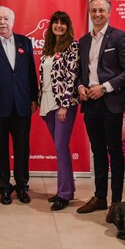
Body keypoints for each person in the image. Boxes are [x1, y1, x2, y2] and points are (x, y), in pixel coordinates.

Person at [76, 0, 125, 219]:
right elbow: (79, 72)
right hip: (90, 103)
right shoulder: (82, 41)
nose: (97, 14)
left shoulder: (120, 37)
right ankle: (100, 197)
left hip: (111, 101)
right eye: (93, 11)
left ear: (109, 12)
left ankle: (117, 202)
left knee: (115, 152)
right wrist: (80, 86)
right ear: (89, 13)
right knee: (98, 151)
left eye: (101, 10)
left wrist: (105, 87)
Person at [0, 6, 39, 205]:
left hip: (22, 106)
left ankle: (22, 187)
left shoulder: (25, 42)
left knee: (22, 148)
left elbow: (30, 72)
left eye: (5, 19)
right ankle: (4, 187)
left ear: (13, 21)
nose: (2, 22)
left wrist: (34, 98)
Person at [38, 11, 80, 211]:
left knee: (61, 147)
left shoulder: (72, 45)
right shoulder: (48, 47)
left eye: (63, 23)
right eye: (56, 22)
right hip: (46, 101)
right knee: (60, 148)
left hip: (63, 103)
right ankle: (67, 190)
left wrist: (64, 104)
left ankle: (63, 194)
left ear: (67, 26)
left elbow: (71, 76)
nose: (59, 26)